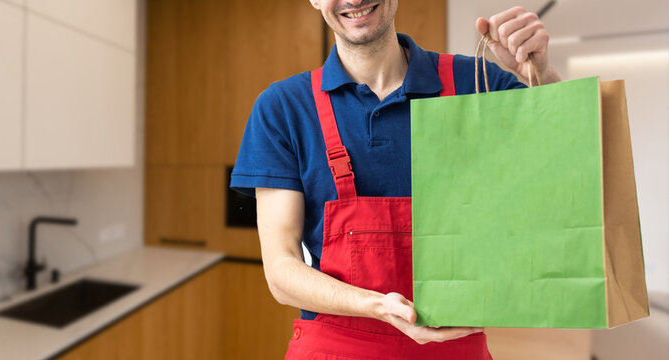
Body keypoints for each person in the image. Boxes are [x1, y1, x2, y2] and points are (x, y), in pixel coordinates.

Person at [230, 1, 562, 359]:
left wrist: (540, 75)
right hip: (334, 351)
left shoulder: (477, 85)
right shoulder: (284, 108)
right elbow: (282, 271)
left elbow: (570, 167)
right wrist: (379, 307)